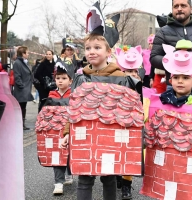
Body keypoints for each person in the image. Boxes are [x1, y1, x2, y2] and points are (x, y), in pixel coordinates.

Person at [61, 3, 125, 199]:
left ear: (108, 52)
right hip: (85, 134)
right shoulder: (81, 78)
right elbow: (73, 108)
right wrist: (66, 132)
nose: (92, 51)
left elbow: (129, 109)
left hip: (111, 135)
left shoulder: (121, 77)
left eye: (97, 47)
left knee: (109, 177)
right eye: (88, 48)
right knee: (85, 177)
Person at [150, 0, 192, 96]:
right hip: (173, 89)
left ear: (191, 8)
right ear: (172, 9)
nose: (179, 9)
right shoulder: (162, 32)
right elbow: (154, 57)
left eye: (183, 6)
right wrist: (174, 60)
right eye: (176, 6)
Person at [114, 45, 145, 199]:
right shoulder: (117, 86)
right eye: (128, 72)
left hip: (133, 127)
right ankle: (117, 177)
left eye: (134, 72)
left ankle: (127, 186)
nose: (132, 74)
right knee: (118, 153)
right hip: (118, 125)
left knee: (130, 156)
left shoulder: (142, 88)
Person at [41, 62, 75, 195]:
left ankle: (69, 173)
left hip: (69, 127)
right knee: (57, 153)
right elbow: (45, 112)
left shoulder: (74, 94)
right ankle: (58, 183)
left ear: (70, 80)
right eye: (58, 78)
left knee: (70, 153)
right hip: (54, 129)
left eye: (64, 78)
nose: (60, 81)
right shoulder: (51, 94)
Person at [12, 46, 34, 130]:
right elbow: (17, 76)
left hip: (25, 88)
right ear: (23, 54)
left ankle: (22, 123)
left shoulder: (24, 62)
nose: (28, 54)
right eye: (27, 53)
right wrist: (22, 86)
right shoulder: (17, 63)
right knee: (20, 107)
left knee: (23, 106)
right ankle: (20, 124)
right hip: (21, 89)